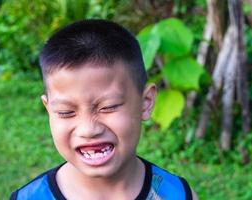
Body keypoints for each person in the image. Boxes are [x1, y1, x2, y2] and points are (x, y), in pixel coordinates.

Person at [10, 19, 197, 200]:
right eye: (66, 112)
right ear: (49, 109)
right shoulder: (30, 197)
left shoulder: (178, 194)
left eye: (108, 107)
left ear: (146, 102)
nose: (88, 130)